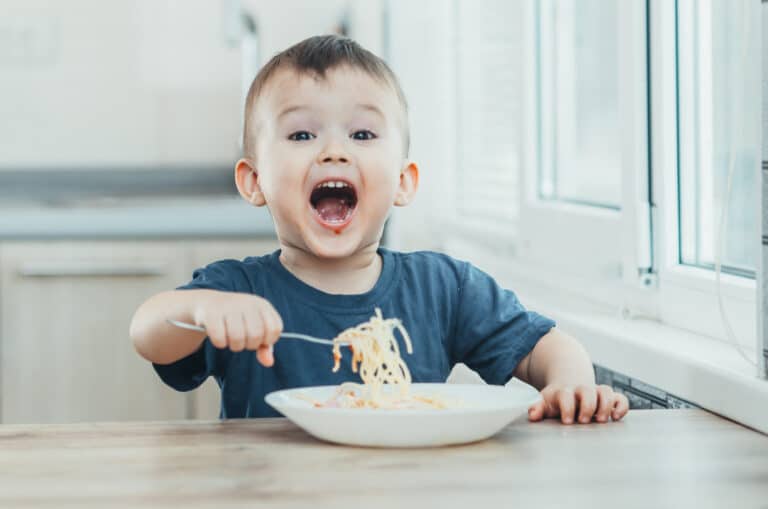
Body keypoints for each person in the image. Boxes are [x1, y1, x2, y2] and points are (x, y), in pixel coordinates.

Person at [130, 34, 629, 424]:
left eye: (363, 134)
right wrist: (200, 309)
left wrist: (569, 384)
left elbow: (548, 347)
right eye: (302, 134)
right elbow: (150, 332)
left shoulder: (444, 287)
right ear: (255, 180)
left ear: (403, 182)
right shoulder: (238, 290)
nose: (334, 151)